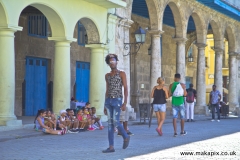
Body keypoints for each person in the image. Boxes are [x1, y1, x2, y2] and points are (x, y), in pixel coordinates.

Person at [102, 54, 130, 153]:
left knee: (116, 122)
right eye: (110, 62)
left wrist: (125, 102)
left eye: (114, 61)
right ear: (108, 64)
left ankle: (125, 136)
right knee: (110, 124)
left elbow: (125, 88)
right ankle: (111, 147)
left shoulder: (121, 73)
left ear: (116, 62)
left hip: (117, 100)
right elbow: (107, 89)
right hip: (108, 101)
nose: (112, 63)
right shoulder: (107, 76)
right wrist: (104, 105)